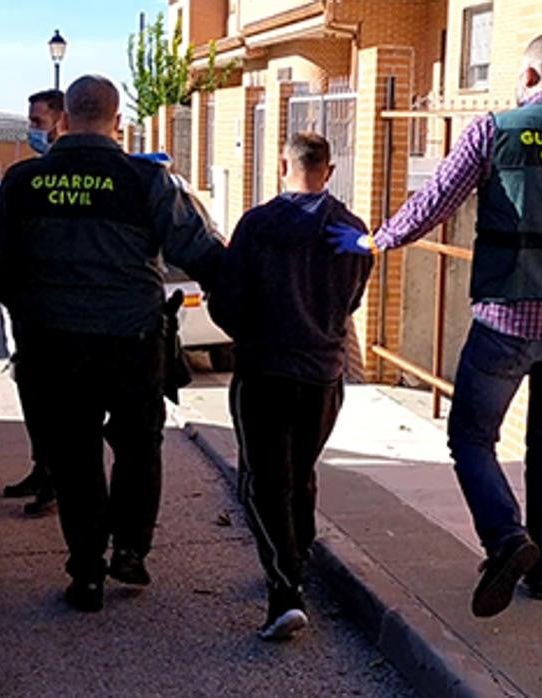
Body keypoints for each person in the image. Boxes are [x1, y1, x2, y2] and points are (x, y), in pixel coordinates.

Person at [328, 32, 542, 619]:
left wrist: (374, 239)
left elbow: (434, 201)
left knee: (470, 436)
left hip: (505, 319)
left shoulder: (493, 131)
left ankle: (508, 539)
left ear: (532, 77)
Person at [0, 75, 224, 612]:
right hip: (132, 340)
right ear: (117, 120)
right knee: (139, 447)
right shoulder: (146, 179)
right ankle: (132, 551)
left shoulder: (22, 182)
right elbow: (200, 251)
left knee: (74, 455)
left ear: (64, 118)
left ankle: (86, 573)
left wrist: (33, 310)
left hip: (53, 344)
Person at [209, 133, 373, 641]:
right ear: (328, 169)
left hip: (265, 371)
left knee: (263, 482)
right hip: (324, 373)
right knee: (299, 473)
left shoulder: (258, 226)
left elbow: (226, 301)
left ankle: (285, 589)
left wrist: (251, 334)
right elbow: (352, 301)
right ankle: (296, 558)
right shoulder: (351, 229)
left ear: (283, 165)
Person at [0, 88, 67, 517]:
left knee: (54, 404)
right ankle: (42, 469)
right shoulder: (29, 175)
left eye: (39, 122)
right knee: (33, 396)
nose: (32, 131)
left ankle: (55, 481)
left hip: (52, 314)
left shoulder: (37, 179)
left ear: (62, 121)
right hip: (30, 309)